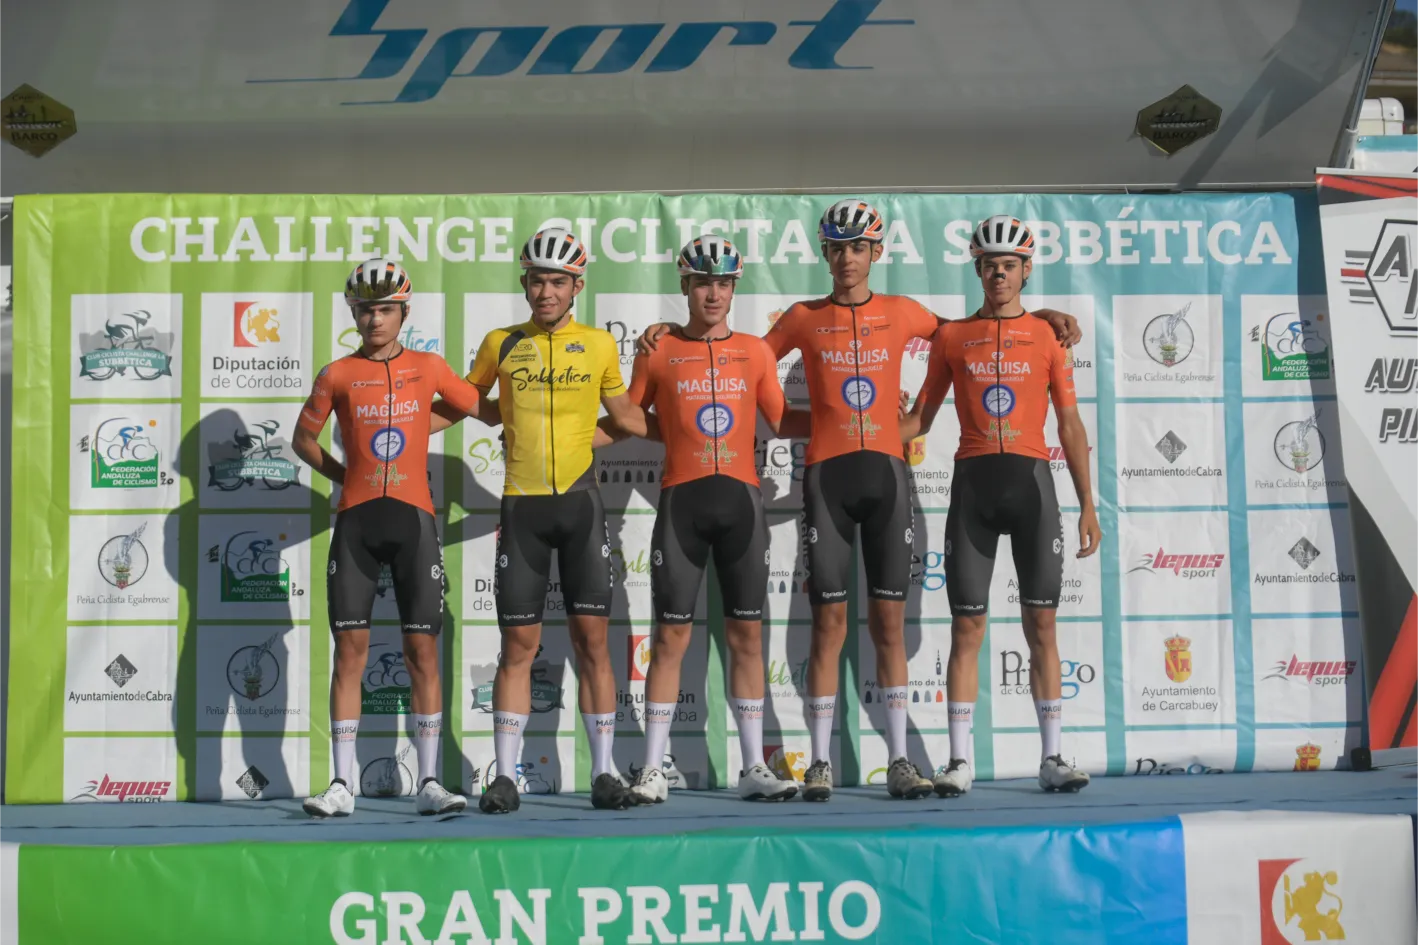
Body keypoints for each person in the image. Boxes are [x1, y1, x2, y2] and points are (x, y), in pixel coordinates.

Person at [639, 200, 1082, 801]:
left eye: (858, 248)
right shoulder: (801, 317)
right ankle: (819, 762)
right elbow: (733, 357)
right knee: (829, 624)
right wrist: (670, 334)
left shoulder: (903, 312)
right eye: (838, 248)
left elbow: (971, 329)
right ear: (825, 254)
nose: (848, 259)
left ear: (876, 253)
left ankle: (899, 759)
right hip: (827, 479)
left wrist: (1044, 316)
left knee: (890, 624)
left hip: (889, 479)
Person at [432, 228, 646, 813]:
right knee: (517, 645)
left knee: (592, 642)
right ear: (524, 284)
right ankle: (505, 776)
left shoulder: (599, 344)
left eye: (557, 282)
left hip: (580, 505)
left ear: (577, 286)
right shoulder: (500, 342)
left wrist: (690, 425)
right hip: (522, 507)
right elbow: (471, 405)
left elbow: (626, 417)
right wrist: (398, 425)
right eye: (536, 281)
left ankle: (604, 773)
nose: (546, 292)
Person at [902, 215, 1102, 797]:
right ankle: (959, 761)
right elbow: (919, 419)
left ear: (1026, 270)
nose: (999, 275)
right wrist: (857, 438)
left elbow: (1069, 423)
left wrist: (1088, 505)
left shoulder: (1047, 337)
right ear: (977, 269)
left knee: (1043, 625)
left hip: (1034, 489)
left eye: (1009, 265)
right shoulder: (952, 337)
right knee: (966, 628)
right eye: (990, 265)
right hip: (974, 491)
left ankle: (1052, 756)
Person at [600, 235, 802, 805]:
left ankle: (753, 766)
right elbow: (630, 417)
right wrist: (563, 437)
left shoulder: (756, 351)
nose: (713, 294)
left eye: (723, 283)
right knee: (669, 637)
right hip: (681, 503)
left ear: (734, 288)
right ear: (685, 287)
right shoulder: (657, 348)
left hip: (742, 504)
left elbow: (782, 420)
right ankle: (652, 769)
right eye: (702, 283)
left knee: (747, 637)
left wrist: (867, 422)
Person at [295, 258, 489, 817]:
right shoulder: (336, 373)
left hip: (414, 523)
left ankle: (429, 781)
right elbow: (302, 440)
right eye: (364, 309)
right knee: (349, 653)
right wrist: (345, 476)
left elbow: (480, 409)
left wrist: (420, 424)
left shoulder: (428, 366)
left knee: (421, 651)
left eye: (384, 309)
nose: (374, 319)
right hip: (357, 522)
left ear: (404, 312)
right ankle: (341, 784)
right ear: (353, 313)